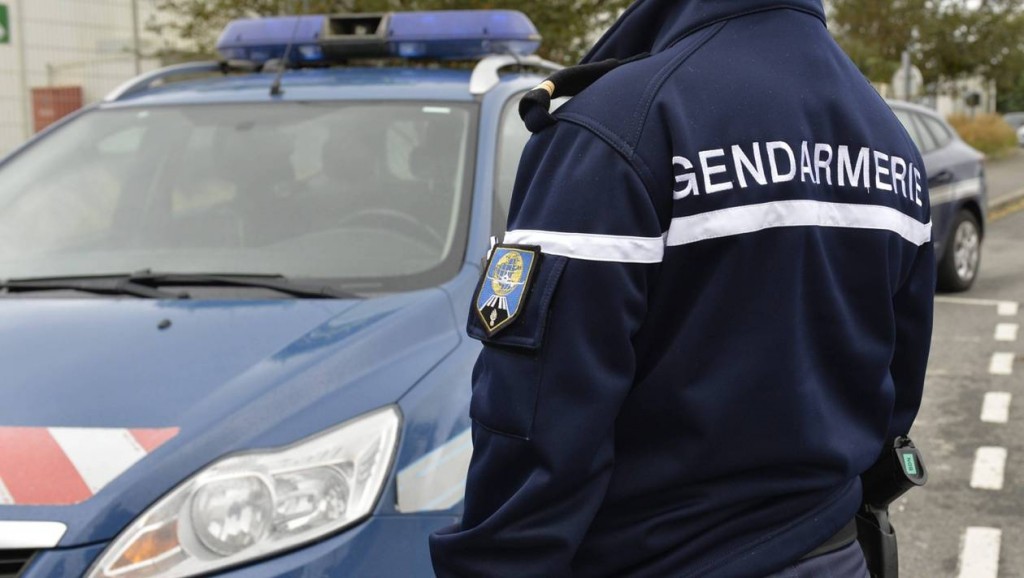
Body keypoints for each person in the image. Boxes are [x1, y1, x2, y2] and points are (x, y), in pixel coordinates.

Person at [429, 0, 934, 576]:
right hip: (833, 553)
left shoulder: (621, 124)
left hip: (660, 558)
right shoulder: (890, 142)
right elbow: (897, 388)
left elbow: (540, 422)